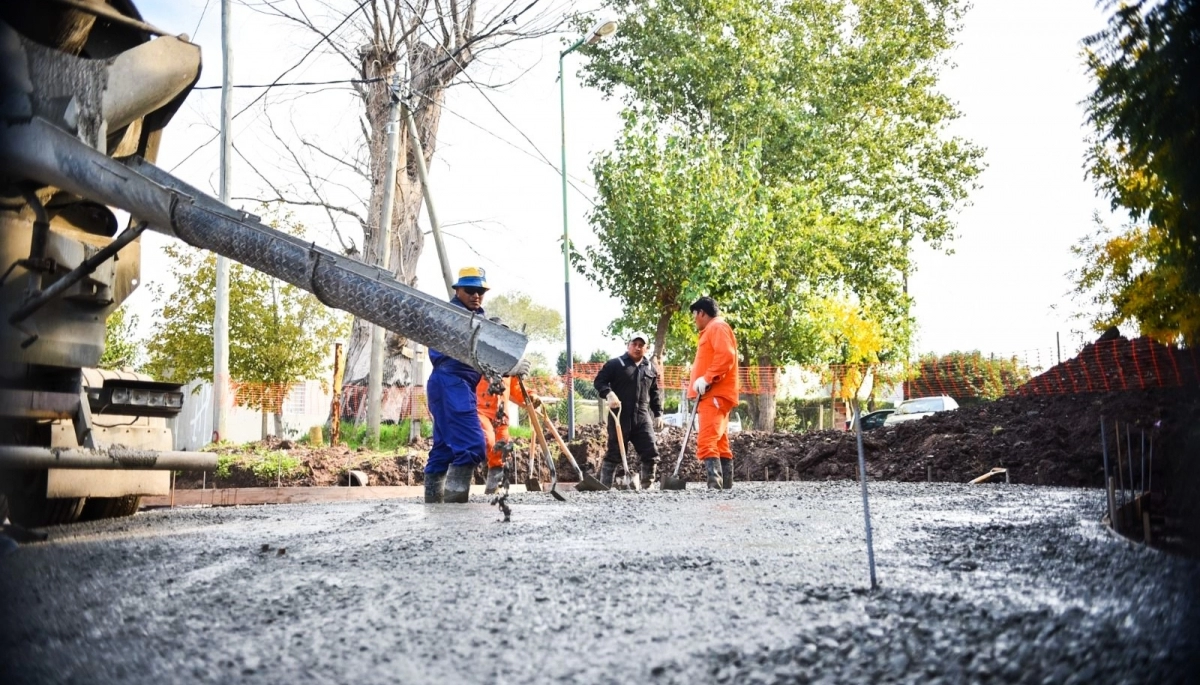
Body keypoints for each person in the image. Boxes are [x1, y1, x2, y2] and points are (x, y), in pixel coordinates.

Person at [425, 267, 530, 503]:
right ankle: (455, 504)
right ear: (458, 290)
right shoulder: (456, 318)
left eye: (481, 291)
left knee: (443, 449)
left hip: (452, 385)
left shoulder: (473, 317)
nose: (476, 296)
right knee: (473, 444)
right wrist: (508, 366)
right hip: (453, 383)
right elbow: (478, 354)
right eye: (471, 290)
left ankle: (433, 506)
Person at [593, 332, 664, 489]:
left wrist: (658, 413)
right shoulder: (615, 364)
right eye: (634, 344)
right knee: (614, 453)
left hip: (642, 417)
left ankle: (647, 486)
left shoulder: (651, 368)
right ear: (628, 345)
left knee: (650, 451)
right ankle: (605, 488)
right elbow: (599, 381)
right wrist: (609, 393)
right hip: (620, 416)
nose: (637, 348)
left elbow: (654, 393)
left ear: (647, 348)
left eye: (641, 345)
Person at [476, 318, 539, 494]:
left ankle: (492, 489)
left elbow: (516, 388)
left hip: (500, 415)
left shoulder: (511, 361)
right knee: (487, 440)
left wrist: (532, 398)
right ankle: (475, 467)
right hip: (480, 410)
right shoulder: (478, 355)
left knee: (502, 449)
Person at [687, 297, 739, 489]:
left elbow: (726, 356)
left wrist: (707, 378)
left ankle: (714, 486)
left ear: (702, 313)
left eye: (695, 315)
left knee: (707, 438)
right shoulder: (714, 329)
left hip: (714, 394)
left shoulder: (716, 327)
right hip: (715, 394)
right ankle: (725, 486)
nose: (694, 319)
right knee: (720, 440)